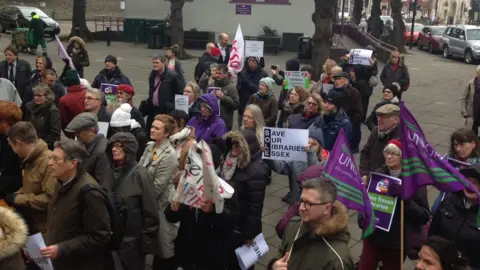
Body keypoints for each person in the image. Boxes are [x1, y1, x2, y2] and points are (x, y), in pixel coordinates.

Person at [42, 139, 113, 269]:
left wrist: (61, 248)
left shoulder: (90, 193)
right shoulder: (60, 182)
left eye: (56, 159)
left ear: (73, 163)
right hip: (61, 261)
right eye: (50, 158)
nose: (50, 163)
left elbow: (99, 237)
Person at [358, 140, 430, 270]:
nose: (389, 157)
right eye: (387, 152)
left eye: (394, 154)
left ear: (403, 157)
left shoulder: (414, 181)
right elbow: (367, 201)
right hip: (374, 236)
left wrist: (406, 200)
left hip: (396, 242)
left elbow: (424, 216)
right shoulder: (378, 174)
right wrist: (362, 218)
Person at [268, 178, 354, 270]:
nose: (301, 208)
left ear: (327, 208)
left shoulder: (338, 261)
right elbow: (281, 253)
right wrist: (274, 265)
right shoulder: (294, 225)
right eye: (301, 201)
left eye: (308, 204)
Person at [106, 132, 159, 270]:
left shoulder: (141, 174)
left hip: (132, 244)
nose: (114, 149)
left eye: (119, 146)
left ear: (129, 149)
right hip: (109, 240)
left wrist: (145, 245)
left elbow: (151, 212)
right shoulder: (107, 172)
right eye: (112, 146)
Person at [222, 129, 269, 270]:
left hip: (241, 227)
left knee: (240, 263)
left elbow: (255, 207)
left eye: (238, 145)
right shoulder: (231, 161)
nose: (234, 148)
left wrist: (250, 234)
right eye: (232, 144)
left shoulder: (257, 171)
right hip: (230, 220)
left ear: (247, 148)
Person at [139, 114, 179, 270]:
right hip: (146, 201)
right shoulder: (150, 146)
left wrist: (138, 199)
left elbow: (157, 187)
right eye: (152, 126)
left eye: (157, 128)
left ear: (167, 133)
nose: (152, 129)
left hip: (160, 207)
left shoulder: (169, 155)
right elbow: (139, 170)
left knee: (163, 249)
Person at [4, 122, 57, 235]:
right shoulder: (29, 160)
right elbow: (32, 186)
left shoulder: (49, 163)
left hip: (44, 229)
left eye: (12, 146)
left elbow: (51, 199)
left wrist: (18, 199)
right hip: (32, 222)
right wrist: (17, 194)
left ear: (18, 143)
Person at [429, 163, 480, 269]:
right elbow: (433, 233)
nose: (470, 185)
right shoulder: (450, 199)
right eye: (467, 180)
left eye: (476, 182)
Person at [264, 130, 324, 204]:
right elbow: (280, 167)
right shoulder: (297, 158)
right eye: (307, 143)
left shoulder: (327, 161)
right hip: (297, 204)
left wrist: (310, 153)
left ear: (320, 147)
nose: (308, 146)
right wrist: (267, 154)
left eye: (313, 144)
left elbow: (316, 173)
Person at [65, 112, 113, 190]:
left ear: (91, 131)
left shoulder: (102, 152)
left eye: (78, 132)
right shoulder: (87, 146)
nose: (76, 135)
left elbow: (102, 185)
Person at [144, 55, 185, 134]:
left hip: (166, 110)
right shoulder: (152, 75)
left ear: (164, 63)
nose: (154, 64)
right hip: (153, 110)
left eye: (157, 62)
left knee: (165, 132)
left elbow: (180, 93)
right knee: (151, 131)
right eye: (153, 62)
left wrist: (174, 109)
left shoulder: (173, 76)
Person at [360, 104, 401, 182]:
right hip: (370, 178)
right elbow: (365, 152)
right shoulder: (375, 131)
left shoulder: (400, 138)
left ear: (395, 120)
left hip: (385, 182)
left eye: (383, 116)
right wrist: (364, 173)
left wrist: (369, 178)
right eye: (378, 116)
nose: (378, 119)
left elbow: (390, 165)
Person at [331, 71, 363, 153]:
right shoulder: (332, 92)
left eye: (339, 79)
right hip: (334, 130)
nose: (336, 81)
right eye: (335, 79)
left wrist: (348, 122)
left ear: (346, 81)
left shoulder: (354, 93)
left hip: (349, 130)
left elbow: (358, 113)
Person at [24, 83, 61, 150]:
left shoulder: (52, 111)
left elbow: (55, 133)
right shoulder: (29, 108)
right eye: (35, 95)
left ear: (47, 97)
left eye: (39, 96)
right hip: (31, 144)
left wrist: (40, 145)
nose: (36, 97)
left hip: (46, 147)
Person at [0, 101, 23, 199]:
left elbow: (21, 178)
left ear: (4, 123)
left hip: (11, 195)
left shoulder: (19, 143)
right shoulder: (3, 136)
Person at [237, 57, 268, 126]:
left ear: (257, 62)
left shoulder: (263, 74)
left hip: (257, 105)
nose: (251, 62)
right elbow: (238, 89)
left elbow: (262, 90)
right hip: (243, 104)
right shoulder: (243, 73)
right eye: (249, 60)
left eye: (253, 60)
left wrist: (248, 84)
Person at [208, 64, 239, 131]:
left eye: (220, 73)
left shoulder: (231, 87)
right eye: (216, 73)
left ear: (225, 74)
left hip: (225, 123)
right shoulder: (211, 85)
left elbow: (236, 105)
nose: (217, 75)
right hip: (212, 121)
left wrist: (223, 97)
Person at [169, 110, 196, 184]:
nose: (168, 128)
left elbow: (190, 173)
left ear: (181, 124)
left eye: (172, 125)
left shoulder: (191, 145)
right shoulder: (169, 139)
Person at [58, 70, 86, 135]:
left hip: (72, 133)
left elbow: (63, 120)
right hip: (89, 131)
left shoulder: (63, 100)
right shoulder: (87, 94)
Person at [463, 66, 480, 134]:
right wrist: (464, 112)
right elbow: (463, 98)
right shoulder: (470, 84)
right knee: (472, 135)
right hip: (473, 114)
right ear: (477, 73)